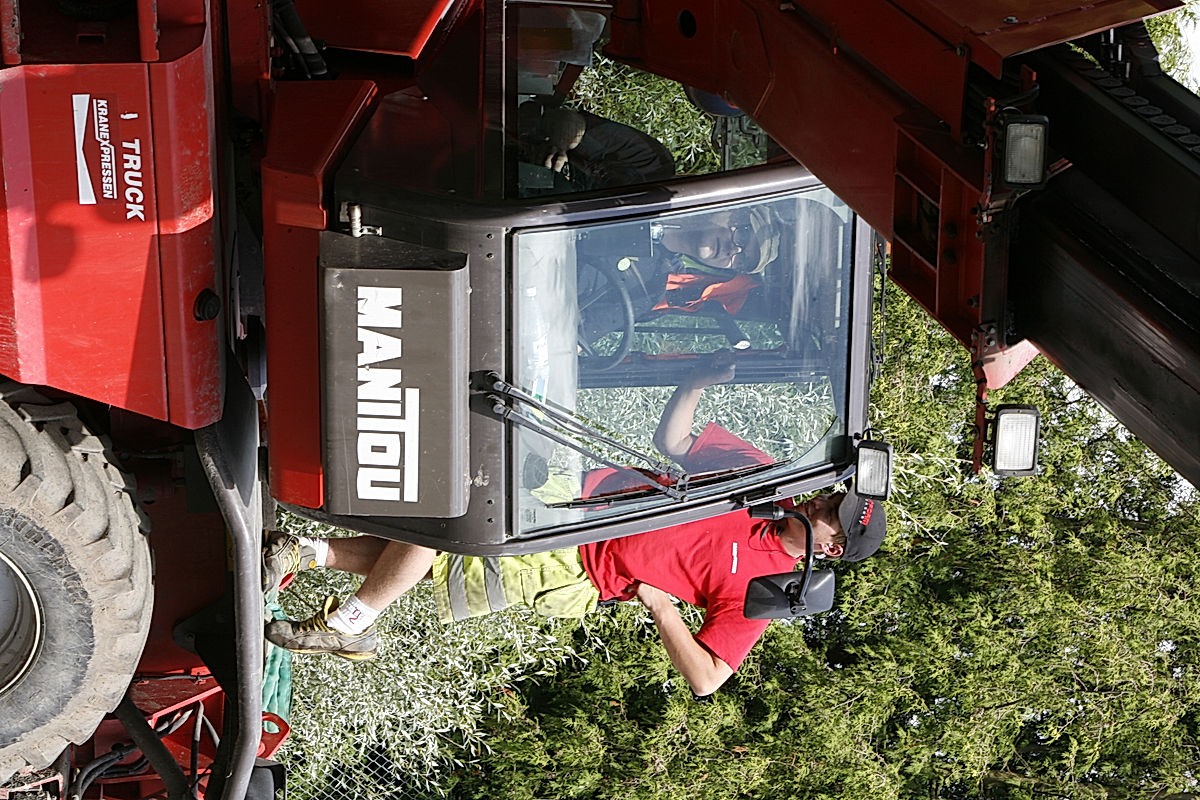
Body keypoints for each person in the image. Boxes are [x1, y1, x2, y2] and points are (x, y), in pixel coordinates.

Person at [264, 360, 886, 695]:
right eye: (832, 496)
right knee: (440, 525)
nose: (822, 504)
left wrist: (663, 609)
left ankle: (349, 621)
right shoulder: (764, 478)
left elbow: (707, 679)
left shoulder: (763, 591)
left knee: (444, 531)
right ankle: (306, 555)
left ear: (831, 548)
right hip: (576, 493)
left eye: (832, 514)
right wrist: (695, 383)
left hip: (574, 565)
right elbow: (673, 441)